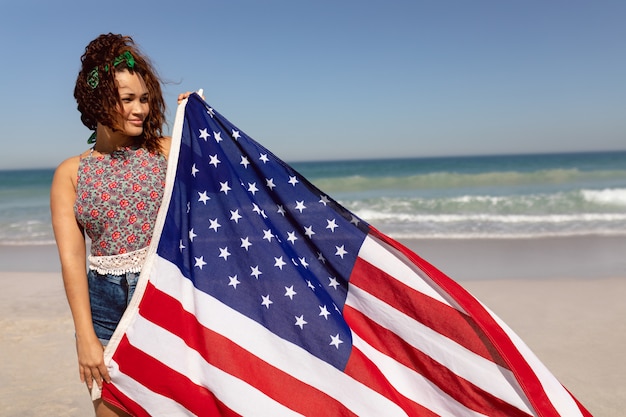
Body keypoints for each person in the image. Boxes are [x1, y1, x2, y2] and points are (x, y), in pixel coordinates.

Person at [50, 33, 190, 417]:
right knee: (112, 410)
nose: (140, 109)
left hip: (165, 297)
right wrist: (85, 337)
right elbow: (71, 261)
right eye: (128, 99)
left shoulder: (164, 150)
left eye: (144, 98)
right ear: (98, 101)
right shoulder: (71, 173)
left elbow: (217, 182)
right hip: (105, 307)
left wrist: (198, 123)